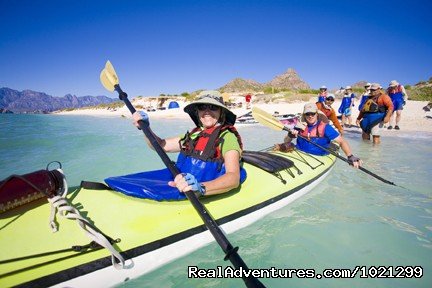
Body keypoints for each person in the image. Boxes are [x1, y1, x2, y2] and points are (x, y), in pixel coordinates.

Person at [132, 90, 246, 198]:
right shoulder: (193, 135)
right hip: (179, 182)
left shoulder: (228, 137)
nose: (207, 111)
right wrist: (146, 128)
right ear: (197, 112)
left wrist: (200, 188)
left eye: (213, 107)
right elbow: (161, 145)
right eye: (202, 107)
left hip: (198, 189)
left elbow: (233, 177)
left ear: (221, 112)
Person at [275, 103, 362, 168]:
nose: (310, 116)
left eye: (312, 113)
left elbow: (341, 141)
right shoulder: (299, 126)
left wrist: (350, 156)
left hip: (318, 157)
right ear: (304, 115)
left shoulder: (325, 127)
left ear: (317, 114)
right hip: (299, 155)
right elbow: (286, 141)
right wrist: (291, 135)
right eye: (307, 114)